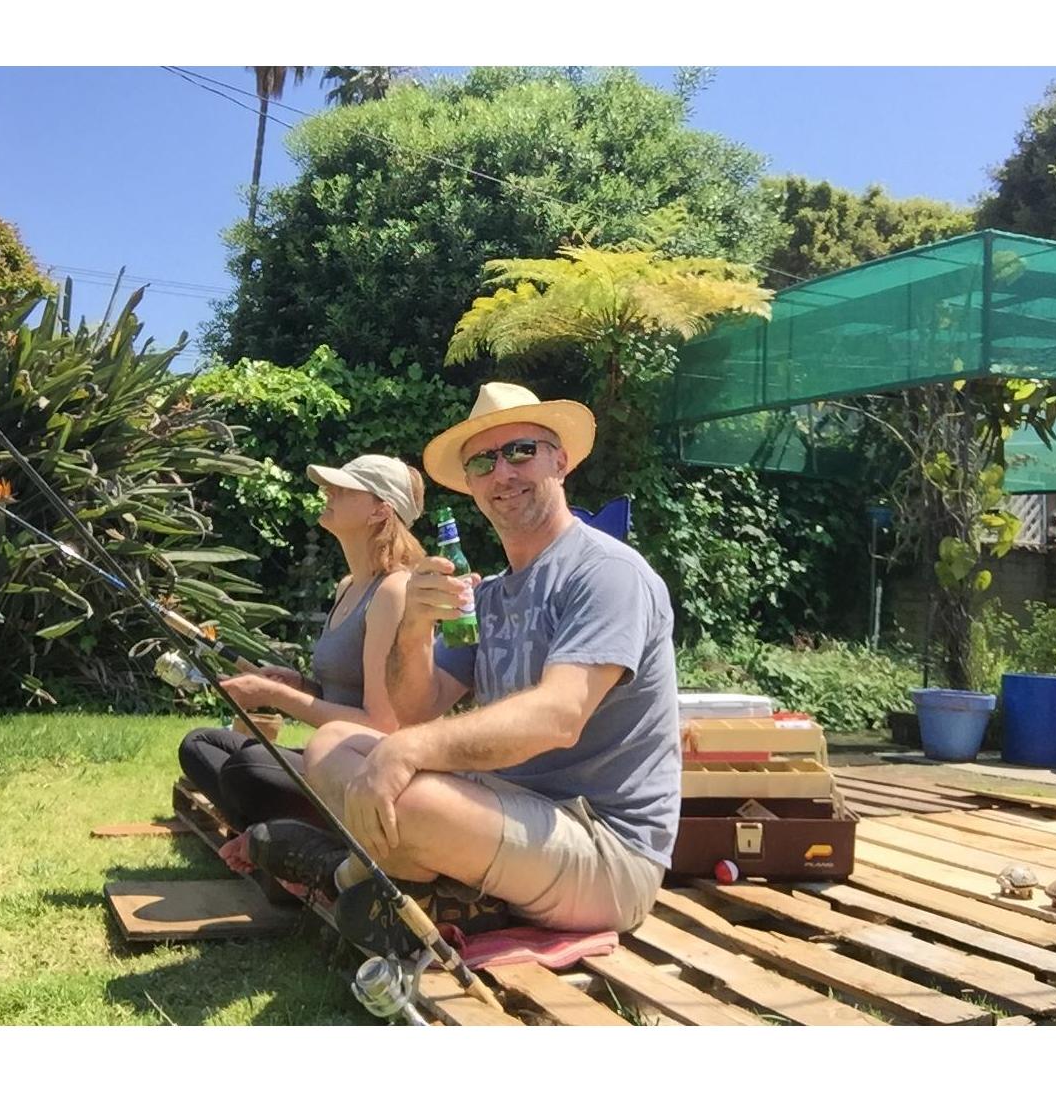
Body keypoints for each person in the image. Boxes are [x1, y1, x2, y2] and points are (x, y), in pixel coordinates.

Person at [246, 382, 680, 955]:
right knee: (332, 745)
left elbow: (559, 716)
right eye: (483, 461)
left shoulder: (606, 573)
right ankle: (424, 885)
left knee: (404, 790)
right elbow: (413, 708)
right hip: (506, 815)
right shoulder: (492, 595)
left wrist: (408, 752)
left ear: (561, 460)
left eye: (520, 450)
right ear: (472, 484)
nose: (502, 473)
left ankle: (345, 873)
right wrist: (413, 628)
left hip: (605, 851)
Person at [177, 454, 425, 870]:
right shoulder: (349, 586)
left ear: (380, 509)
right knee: (201, 745)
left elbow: (382, 725)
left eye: (343, 489)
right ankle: (281, 835)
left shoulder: (393, 591)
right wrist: (300, 686)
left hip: (365, 771)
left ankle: (300, 839)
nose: (328, 492)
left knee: (247, 770)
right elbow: (343, 692)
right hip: (326, 758)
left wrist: (275, 695)